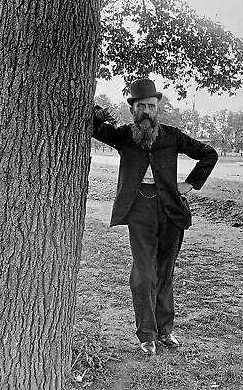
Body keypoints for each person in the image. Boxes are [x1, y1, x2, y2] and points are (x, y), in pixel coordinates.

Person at [92, 78, 218, 356]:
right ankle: (146, 334)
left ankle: (165, 330)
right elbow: (94, 129)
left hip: (171, 210)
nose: (147, 110)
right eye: (141, 106)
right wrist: (96, 115)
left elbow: (209, 154)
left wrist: (190, 184)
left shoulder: (172, 135)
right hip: (139, 211)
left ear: (157, 107)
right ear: (133, 109)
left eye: (151, 105)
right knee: (144, 273)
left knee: (166, 271)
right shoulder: (124, 135)